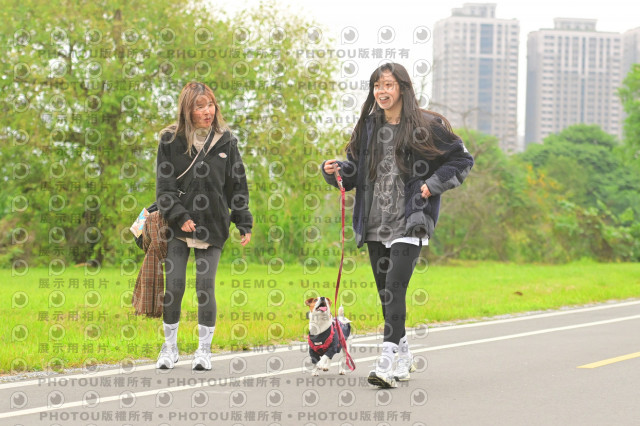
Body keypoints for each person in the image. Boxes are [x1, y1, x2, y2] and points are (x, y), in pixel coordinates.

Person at [321, 63, 474, 388]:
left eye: (388, 85)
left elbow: (462, 159)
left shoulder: (427, 126)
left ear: (402, 88)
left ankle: (386, 362)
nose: (382, 91)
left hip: (411, 220)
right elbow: (355, 172)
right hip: (375, 222)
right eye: (377, 85)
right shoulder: (368, 127)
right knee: (385, 295)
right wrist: (334, 171)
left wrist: (432, 184)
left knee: (394, 288)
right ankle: (404, 355)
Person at [155, 82, 253, 370]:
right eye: (200, 107)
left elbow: (237, 185)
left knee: (204, 287)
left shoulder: (226, 141)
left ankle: (203, 351)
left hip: (213, 223)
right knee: (174, 286)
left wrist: (243, 220)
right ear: (187, 110)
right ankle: (170, 348)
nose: (207, 111)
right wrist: (179, 215)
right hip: (178, 226)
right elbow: (164, 187)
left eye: (210, 105)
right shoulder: (170, 140)